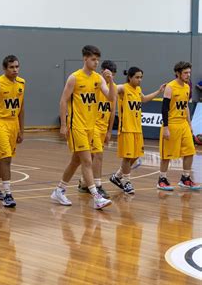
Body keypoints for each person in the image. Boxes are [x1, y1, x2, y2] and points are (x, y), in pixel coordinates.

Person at [52, 45, 114, 209]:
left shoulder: (98, 78)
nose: (96, 62)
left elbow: (110, 96)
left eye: (97, 59)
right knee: (87, 161)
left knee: (76, 162)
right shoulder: (74, 78)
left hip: (91, 126)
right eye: (93, 59)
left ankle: (59, 190)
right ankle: (96, 197)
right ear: (85, 58)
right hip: (76, 126)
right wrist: (64, 125)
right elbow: (63, 101)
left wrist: (111, 81)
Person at [109, 67, 165, 194]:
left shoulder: (138, 89)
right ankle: (127, 182)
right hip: (126, 129)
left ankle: (117, 176)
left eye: (141, 77)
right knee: (127, 158)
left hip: (137, 128)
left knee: (136, 155)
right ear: (130, 77)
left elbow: (144, 99)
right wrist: (109, 80)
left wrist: (158, 91)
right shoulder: (123, 88)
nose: (140, 80)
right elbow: (113, 89)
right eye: (137, 77)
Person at [0, 55, 25, 208]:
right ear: (5, 69)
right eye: (11, 67)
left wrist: (22, 130)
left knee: (5, 158)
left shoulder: (22, 83)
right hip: (0, 123)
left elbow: (22, 108)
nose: (15, 70)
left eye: (17, 66)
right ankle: (8, 193)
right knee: (6, 157)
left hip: (13, 124)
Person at [158, 61, 200, 190]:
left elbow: (186, 105)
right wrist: (165, 127)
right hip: (171, 124)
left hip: (183, 124)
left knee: (190, 151)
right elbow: (164, 108)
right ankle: (162, 179)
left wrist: (189, 123)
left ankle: (185, 178)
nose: (188, 75)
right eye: (185, 73)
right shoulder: (170, 87)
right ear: (178, 73)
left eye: (189, 72)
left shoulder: (187, 87)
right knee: (167, 155)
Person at [78, 60, 117, 199]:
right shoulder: (96, 85)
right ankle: (98, 185)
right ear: (102, 72)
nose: (108, 77)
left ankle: (84, 183)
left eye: (111, 75)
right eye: (106, 74)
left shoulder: (113, 88)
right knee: (98, 155)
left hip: (103, 128)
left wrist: (109, 131)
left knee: (92, 157)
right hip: (92, 125)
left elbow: (112, 112)